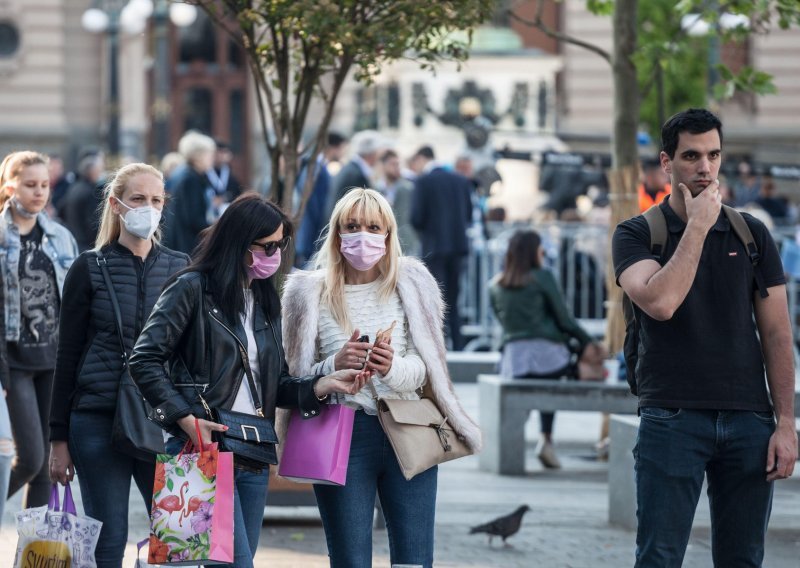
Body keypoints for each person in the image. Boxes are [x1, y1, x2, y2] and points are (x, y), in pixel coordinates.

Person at [128, 193, 370, 568]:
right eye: (267, 245)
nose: (275, 254)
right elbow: (143, 359)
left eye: (280, 244)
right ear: (239, 242)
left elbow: (275, 384)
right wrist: (183, 418)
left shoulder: (263, 298)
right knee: (225, 564)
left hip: (253, 453)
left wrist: (322, 385)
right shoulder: (191, 288)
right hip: (203, 448)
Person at [612, 108, 797, 567]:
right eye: (691, 155)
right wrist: (696, 225)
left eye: (713, 154)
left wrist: (786, 423)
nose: (705, 167)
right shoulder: (636, 233)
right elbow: (661, 302)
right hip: (672, 416)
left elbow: (777, 332)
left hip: (749, 419)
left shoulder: (751, 233)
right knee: (659, 557)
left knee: (743, 559)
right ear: (667, 163)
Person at [280, 188, 481, 568]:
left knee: (414, 558)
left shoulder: (411, 282)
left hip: (408, 427)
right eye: (352, 226)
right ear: (337, 233)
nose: (363, 236)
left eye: (374, 227)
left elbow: (427, 369)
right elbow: (296, 376)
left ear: (389, 234)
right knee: (350, 559)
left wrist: (391, 366)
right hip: (341, 433)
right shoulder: (308, 291)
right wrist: (334, 365)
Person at [48, 163, 188, 566]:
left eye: (156, 200)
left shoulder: (181, 269)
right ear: (116, 204)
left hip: (164, 422)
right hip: (96, 419)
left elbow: (191, 354)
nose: (149, 208)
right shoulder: (88, 267)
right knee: (108, 540)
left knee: (178, 539)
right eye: (138, 199)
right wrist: (58, 439)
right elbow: (67, 355)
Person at [0, 151, 79, 508]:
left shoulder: (61, 238)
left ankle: (30, 555)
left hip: (55, 359)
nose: (39, 192)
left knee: (49, 466)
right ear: (9, 186)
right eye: (30, 185)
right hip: (13, 361)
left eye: (45, 185)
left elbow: (75, 301)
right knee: (31, 457)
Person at [490, 230, 607, 469]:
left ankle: (513, 437)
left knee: (534, 385)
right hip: (549, 359)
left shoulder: (495, 285)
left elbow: (503, 325)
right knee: (565, 373)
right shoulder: (543, 277)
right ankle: (546, 438)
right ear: (534, 252)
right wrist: (589, 342)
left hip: (514, 360)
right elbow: (565, 320)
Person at [410, 145, 473, 350]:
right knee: (455, 296)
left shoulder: (423, 181)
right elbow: (470, 215)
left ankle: (439, 343)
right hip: (458, 246)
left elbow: (416, 217)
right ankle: (458, 342)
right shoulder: (461, 180)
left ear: (421, 158)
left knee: (435, 297)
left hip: (433, 247)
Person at [294, 131, 348, 267]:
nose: (342, 153)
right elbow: (313, 204)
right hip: (312, 232)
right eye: (341, 149)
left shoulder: (319, 167)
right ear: (332, 148)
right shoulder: (316, 168)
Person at [162, 131, 216, 254]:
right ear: (198, 156)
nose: (212, 159)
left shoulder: (182, 173)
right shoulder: (190, 178)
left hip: (177, 241)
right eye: (210, 154)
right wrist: (217, 227)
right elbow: (194, 218)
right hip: (186, 245)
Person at [324, 129, 384, 219]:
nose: (380, 156)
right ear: (372, 153)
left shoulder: (353, 169)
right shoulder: (355, 174)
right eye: (378, 151)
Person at [57, 147, 105, 251]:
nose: (100, 173)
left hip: (73, 242)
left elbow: (61, 211)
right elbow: (93, 225)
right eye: (99, 169)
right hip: (86, 246)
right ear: (92, 171)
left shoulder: (74, 187)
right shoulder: (91, 192)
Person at [377, 149, 418, 256]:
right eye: (392, 164)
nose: (396, 168)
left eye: (398, 164)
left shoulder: (408, 188)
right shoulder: (377, 188)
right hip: (383, 242)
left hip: (405, 242)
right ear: (382, 165)